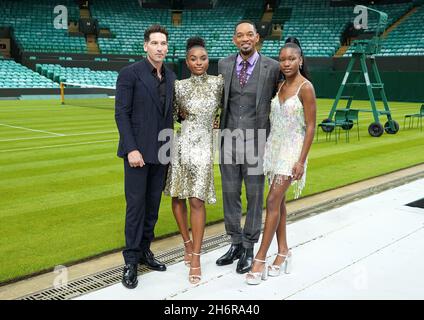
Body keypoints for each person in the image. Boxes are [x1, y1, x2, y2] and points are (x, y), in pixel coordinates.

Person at [246, 39, 316, 285]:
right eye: (283, 59)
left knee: (272, 200)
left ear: (300, 60)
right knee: (280, 202)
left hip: (292, 152)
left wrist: (301, 161)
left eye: (291, 59)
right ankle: (284, 251)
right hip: (274, 149)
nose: (286, 63)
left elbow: (310, 127)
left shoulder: (306, 88)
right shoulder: (279, 86)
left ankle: (260, 258)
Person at [216, 20, 280, 274]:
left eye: (249, 34)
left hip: (257, 143)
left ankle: (249, 246)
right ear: (235, 40)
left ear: (256, 38)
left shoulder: (272, 67)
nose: (245, 38)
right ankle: (234, 243)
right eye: (240, 35)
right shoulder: (223, 64)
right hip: (228, 141)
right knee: (230, 195)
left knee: (254, 197)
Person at [115, 25, 177, 289]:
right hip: (137, 153)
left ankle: (144, 252)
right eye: (155, 43)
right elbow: (122, 114)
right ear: (145, 46)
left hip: (162, 151)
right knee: (136, 207)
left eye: (163, 43)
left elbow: (171, 115)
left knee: (152, 207)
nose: (160, 47)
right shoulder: (130, 73)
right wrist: (131, 149)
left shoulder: (172, 76)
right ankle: (130, 261)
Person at [164, 37, 223, 284]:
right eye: (193, 59)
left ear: (208, 60)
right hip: (180, 146)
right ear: (187, 62)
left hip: (203, 150)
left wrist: (219, 121)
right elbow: (177, 114)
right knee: (177, 197)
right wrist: (180, 115)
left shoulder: (219, 83)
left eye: (203, 58)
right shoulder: (178, 86)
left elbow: (227, 108)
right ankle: (187, 243)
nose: (199, 62)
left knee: (197, 201)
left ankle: (196, 257)